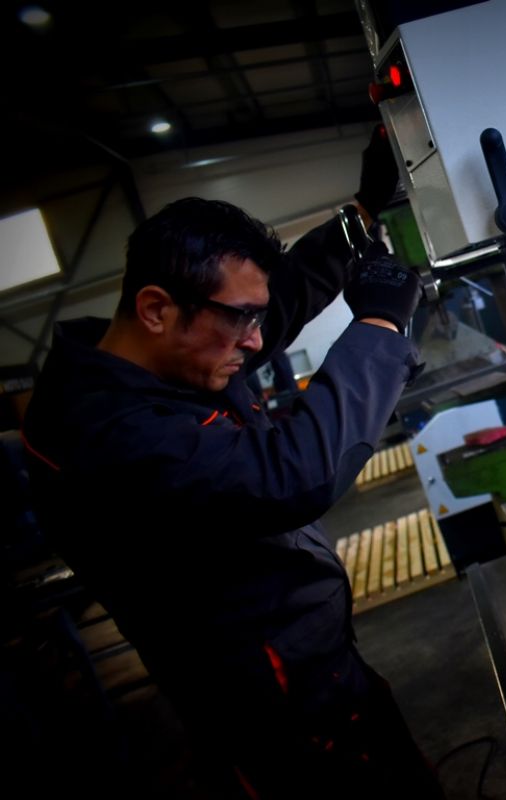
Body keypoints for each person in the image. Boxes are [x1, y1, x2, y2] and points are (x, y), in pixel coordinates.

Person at [20, 128, 443, 798]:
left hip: (321, 668)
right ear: (156, 309)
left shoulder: (166, 357)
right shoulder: (98, 430)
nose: (256, 340)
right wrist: (380, 327)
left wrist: (361, 211)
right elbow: (291, 475)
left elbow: (283, 299)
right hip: (272, 708)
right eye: (242, 320)